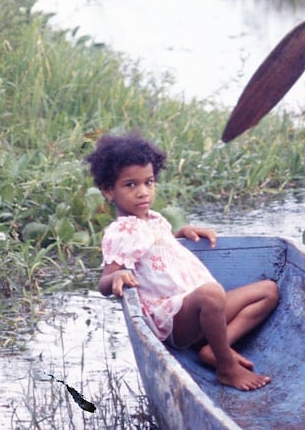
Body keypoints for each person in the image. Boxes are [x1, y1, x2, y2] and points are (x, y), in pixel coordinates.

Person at [87, 133, 279, 390]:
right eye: (130, 185)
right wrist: (116, 277)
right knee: (212, 293)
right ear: (109, 191)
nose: (143, 192)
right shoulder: (121, 232)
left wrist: (180, 234)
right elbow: (104, 282)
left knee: (268, 291)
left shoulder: (153, 219)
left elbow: (156, 250)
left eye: (149, 182)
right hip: (174, 318)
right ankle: (226, 367)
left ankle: (215, 348)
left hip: (196, 305)